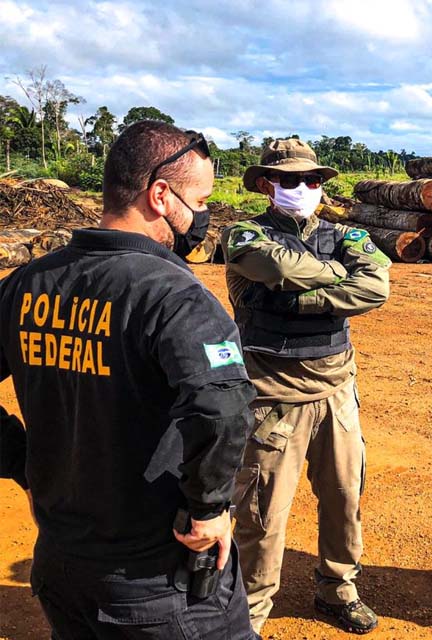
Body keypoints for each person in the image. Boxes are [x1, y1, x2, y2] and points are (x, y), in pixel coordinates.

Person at [0, 120, 258, 638]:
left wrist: (22, 462)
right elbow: (224, 405)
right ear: (161, 195)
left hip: (61, 564)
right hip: (159, 582)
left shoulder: (28, 282)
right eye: (201, 200)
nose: (203, 216)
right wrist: (208, 508)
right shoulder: (175, 296)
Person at [223, 138, 390, 635]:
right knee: (262, 510)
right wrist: (337, 281)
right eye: (290, 180)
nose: (303, 188)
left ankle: (337, 588)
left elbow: (377, 286)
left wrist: (300, 299)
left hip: (336, 390)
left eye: (312, 180)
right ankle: (250, 609)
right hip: (272, 396)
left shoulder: (345, 234)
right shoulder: (243, 236)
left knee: (344, 497)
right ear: (265, 184)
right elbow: (273, 266)